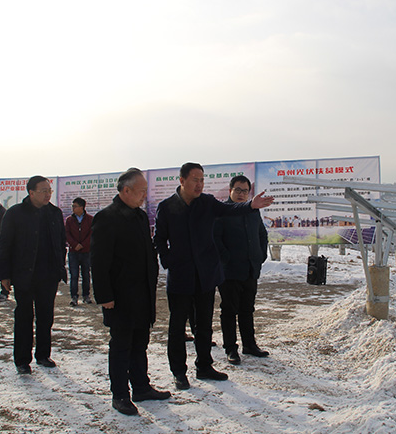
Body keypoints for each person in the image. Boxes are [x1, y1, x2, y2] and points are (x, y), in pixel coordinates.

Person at [154, 162, 274, 390]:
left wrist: (251, 205)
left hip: (206, 274)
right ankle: (179, 372)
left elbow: (230, 209)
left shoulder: (207, 202)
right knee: (177, 327)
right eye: (195, 180)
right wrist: (168, 260)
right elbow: (159, 239)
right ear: (182, 180)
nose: (200, 184)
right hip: (180, 275)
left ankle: (204, 366)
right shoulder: (167, 207)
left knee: (204, 325)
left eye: (202, 180)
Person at [91, 168, 171, 416]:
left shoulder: (139, 216)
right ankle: (120, 395)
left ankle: (141, 387)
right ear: (126, 190)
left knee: (140, 343)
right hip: (120, 296)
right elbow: (99, 262)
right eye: (141, 191)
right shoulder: (107, 217)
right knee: (121, 346)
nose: (145, 195)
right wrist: (105, 296)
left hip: (142, 293)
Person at [0, 175, 67, 374]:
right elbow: (4, 245)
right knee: (24, 317)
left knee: (46, 317)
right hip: (24, 275)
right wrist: (4, 275)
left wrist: (60, 267)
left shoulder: (54, 213)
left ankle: (43, 355)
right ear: (31, 192)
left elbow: (61, 242)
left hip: (48, 275)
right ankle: (22, 360)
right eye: (43, 191)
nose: (47, 194)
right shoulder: (15, 213)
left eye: (49, 191)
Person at [213, 175, 270, 365]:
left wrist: (260, 255)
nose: (241, 194)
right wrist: (226, 259)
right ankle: (231, 348)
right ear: (230, 190)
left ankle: (249, 345)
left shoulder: (253, 211)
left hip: (250, 268)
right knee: (229, 310)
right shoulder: (222, 211)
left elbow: (262, 234)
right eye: (237, 190)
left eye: (245, 191)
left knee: (247, 309)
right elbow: (215, 238)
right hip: (229, 271)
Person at [65, 197, 93, 306]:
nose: (73, 208)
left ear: (82, 207)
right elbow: (67, 234)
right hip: (73, 252)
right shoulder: (69, 220)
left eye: (75, 206)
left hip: (86, 252)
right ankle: (74, 297)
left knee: (86, 274)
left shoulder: (90, 219)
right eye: (72, 206)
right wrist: (74, 244)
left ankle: (86, 296)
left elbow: (91, 234)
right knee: (74, 275)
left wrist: (83, 245)